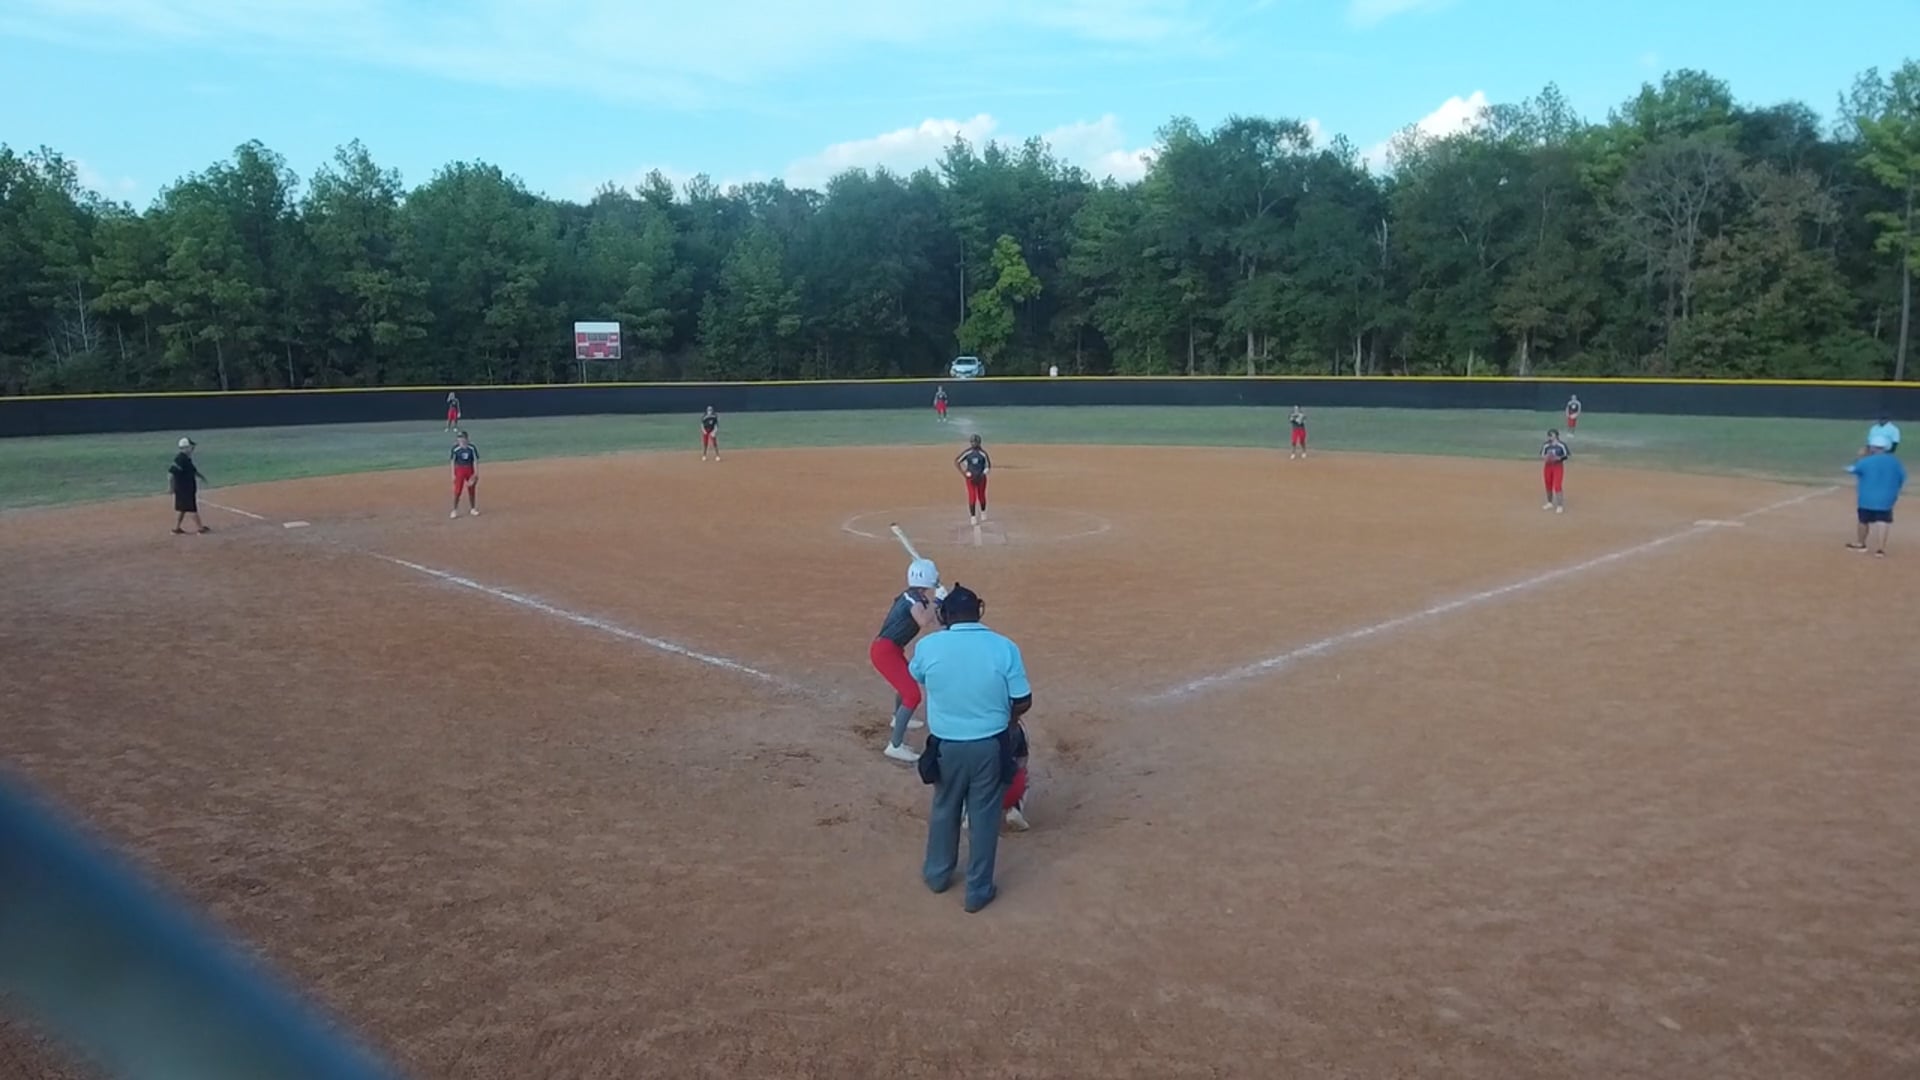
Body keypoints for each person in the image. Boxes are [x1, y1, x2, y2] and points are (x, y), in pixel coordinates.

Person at [909, 584, 1031, 913]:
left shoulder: (929, 646)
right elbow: (1023, 700)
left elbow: (918, 674)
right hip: (989, 745)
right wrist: (1006, 719)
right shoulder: (1004, 647)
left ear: (945, 615)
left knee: (945, 807)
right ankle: (978, 891)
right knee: (984, 815)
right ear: (979, 612)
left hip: (947, 744)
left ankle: (937, 874)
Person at [872, 558, 944, 763]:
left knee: (907, 681)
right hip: (885, 652)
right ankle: (894, 746)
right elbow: (923, 620)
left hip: (890, 649)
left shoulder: (914, 596)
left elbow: (932, 617)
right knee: (912, 695)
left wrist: (940, 603)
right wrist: (938, 601)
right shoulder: (914, 599)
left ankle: (898, 718)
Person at [1846, 435, 1906, 557]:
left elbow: (1854, 469)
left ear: (1872, 447)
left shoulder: (1866, 461)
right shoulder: (1895, 462)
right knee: (1883, 521)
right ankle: (1880, 549)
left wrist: (1859, 457)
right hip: (1887, 497)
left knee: (1863, 520)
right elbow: (1902, 477)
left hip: (1867, 497)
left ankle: (1861, 543)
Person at [168, 437, 209, 535]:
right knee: (191, 508)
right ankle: (200, 528)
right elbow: (171, 474)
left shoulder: (186, 459)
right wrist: (171, 487)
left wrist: (201, 477)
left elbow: (193, 471)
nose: (192, 448)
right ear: (186, 447)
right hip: (184, 489)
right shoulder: (180, 459)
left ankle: (176, 528)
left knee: (182, 508)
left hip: (186, 488)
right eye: (191, 447)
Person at [956, 434, 991, 526]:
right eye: (973, 442)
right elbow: (957, 461)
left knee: (981, 495)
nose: (974, 444)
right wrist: (964, 473)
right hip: (970, 478)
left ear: (979, 443)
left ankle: (983, 512)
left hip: (981, 478)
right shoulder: (968, 453)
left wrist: (982, 474)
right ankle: (973, 516)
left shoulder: (983, 454)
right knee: (972, 496)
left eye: (976, 442)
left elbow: (988, 466)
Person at [450, 430, 479, 518]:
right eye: (459, 438)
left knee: (471, 489)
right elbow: (453, 461)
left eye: (462, 438)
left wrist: (476, 473)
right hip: (459, 469)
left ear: (466, 438)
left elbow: (475, 460)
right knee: (458, 490)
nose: (461, 440)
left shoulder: (472, 448)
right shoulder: (455, 449)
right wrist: (453, 474)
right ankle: (454, 510)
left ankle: (473, 508)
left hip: (470, 469)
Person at [1541, 429, 1569, 513]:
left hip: (1557, 466)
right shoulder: (1546, 445)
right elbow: (1542, 455)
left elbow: (1566, 455)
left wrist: (1558, 458)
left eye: (1551, 435)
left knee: (1557, 485)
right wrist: (1546, 457)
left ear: (1556, 435)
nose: (1549, 436)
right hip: (1548, 466)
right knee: (1548, 483)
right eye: (1549, 435)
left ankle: (1560, 506)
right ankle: (1549, 503)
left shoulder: (1561, 445)